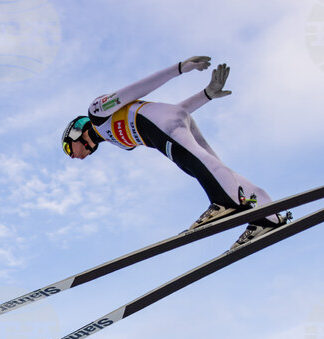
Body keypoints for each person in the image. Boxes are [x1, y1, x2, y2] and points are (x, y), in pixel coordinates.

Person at [62, 56, 286, 247]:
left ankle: (225, 202)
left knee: (197, 163)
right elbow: (170, 112)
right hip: (172, 121)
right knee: (211, 166)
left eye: (68, 149)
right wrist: (206, 95)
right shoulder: (120, 142)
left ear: (75, 133)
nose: (72, 156)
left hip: (163, 125)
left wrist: (179, 68)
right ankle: (267, 216)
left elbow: (137, 89)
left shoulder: (96, 113)